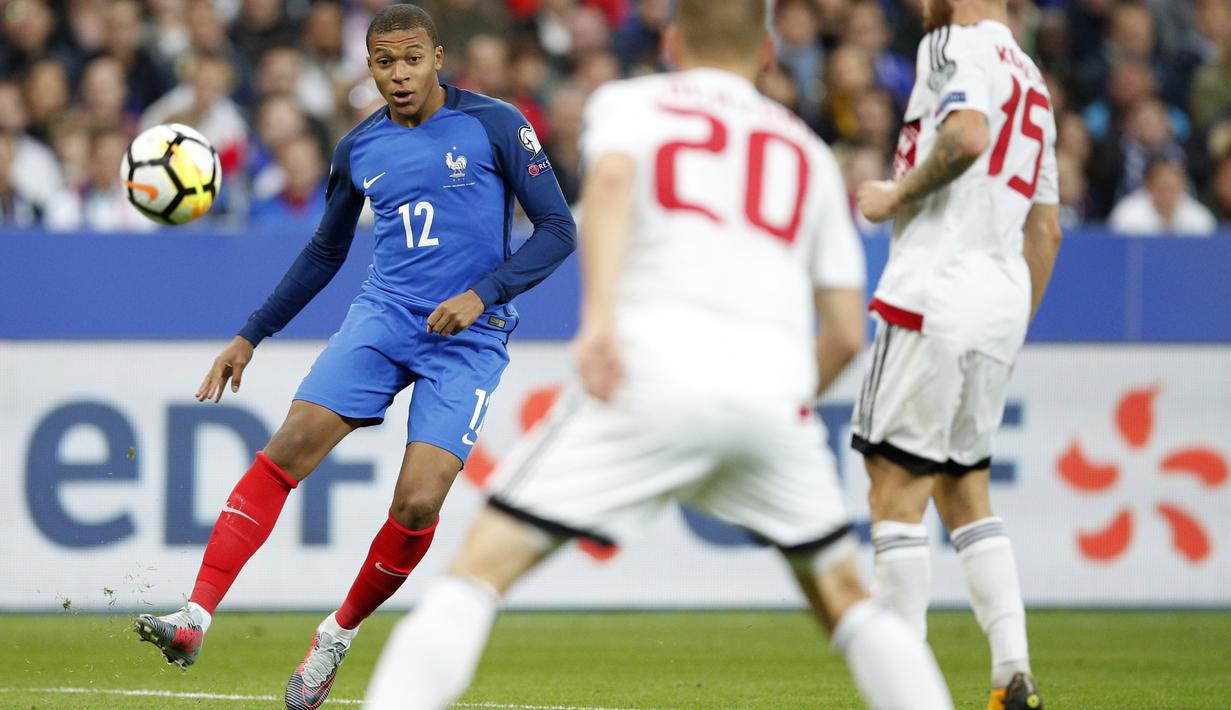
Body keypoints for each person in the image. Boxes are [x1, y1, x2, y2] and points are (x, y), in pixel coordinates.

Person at [364, 2, 954, 709]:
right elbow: (843, 335)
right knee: (848, 601)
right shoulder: (804, 151)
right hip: (767, 397)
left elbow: (608, 187)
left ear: (672, 41)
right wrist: (779, 401)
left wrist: (599, 323)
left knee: (475, 573)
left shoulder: (630, 104)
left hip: (645, 374)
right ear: (767, 53)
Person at [133, 5, 576, 710]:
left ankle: (336, 636)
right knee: (288, 447)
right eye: (383, 62)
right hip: (384, 317)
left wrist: (482, 293)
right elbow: (323, 252)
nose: (398, 75)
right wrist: (252, 333)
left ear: (436, 57)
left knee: (418, 499)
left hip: (469, 335)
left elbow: (557, 229)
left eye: (411, 59)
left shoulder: (495, 124)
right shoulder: (358, 148)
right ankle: (194, 618)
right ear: (367, 67)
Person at [851, 1, 1062, 709]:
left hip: (934, 288)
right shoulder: (1031, 76)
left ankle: (902, 689)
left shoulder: (951, 43)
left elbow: (965, 136)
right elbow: (1046, 231)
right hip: (997, 301)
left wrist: (893, 195)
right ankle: (1010, 671)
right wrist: (1006, 326)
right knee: (963, 488)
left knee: (894, 489)